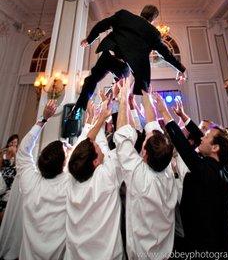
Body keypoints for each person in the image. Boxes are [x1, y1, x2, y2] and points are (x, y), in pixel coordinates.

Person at [69, 5, 186, 119]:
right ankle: (109, 104)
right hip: (123, 65)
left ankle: (79, 108)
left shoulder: (124, 15)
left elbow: (102, 25)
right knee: (121, 87)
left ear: (142, 12)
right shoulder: (153, 33)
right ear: (153, 19)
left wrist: (89, 39)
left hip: (109, 55)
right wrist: (181, 69)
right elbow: (166, 54)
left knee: (92, 79)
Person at [154, 93, 228, 253]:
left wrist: (165, 113)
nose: (201, 138)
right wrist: (183, 116)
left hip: (207, 246)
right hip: (214, 240)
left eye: (206, 136)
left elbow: (185, 149)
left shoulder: (207, 170)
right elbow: (202, 138)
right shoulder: (222, 166)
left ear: (215, 148)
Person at [114, 80, 178, 259]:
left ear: (145, 155)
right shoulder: (165, 167)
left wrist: (123, 98)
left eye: (143, 145)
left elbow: (122, 135)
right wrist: (145, 94)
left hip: (141, 253)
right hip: (165, 249)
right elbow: (152, 125)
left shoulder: (137, 174)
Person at [65, 98, 124, 260]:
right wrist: (123, 98)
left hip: (75, 254)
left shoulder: (72, 176)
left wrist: (98, 119)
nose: (98, 144)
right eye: (97, 148)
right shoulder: (106, 176)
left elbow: (85, 144)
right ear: (95, 161)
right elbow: (125, 139)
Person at [16, 100, 69, 260]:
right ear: (63, 163)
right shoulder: (69, 185)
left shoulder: (29, 181)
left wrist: (43, 119)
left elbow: (23, 151)